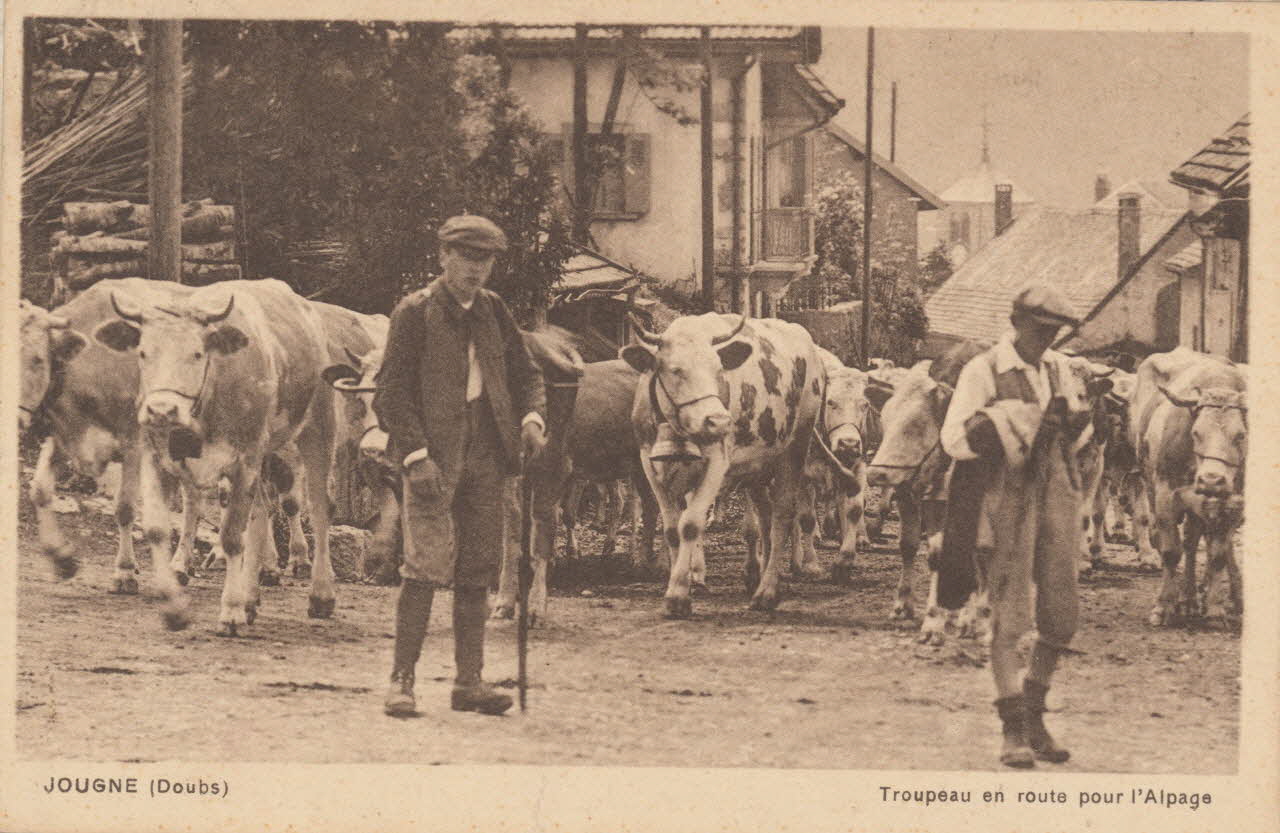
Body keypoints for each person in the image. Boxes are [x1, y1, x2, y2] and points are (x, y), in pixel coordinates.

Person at [373, 214, 546, 717]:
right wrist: (415, 455)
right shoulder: (415, 312)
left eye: (485, 259)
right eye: (467, 258)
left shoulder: (494, 310)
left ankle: (469, 683)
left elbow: (527, 373)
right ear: (444, 257)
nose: (476, 269)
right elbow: (391, 393)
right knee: (424, 566)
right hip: (433, 456)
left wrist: (533, 417)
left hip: (488, 454)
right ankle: (401, 682)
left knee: (478, 567)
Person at [938, 282, 1088, 768]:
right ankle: (1014, 729)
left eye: (1056, 332)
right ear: (1018, 322)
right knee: (1009, 611)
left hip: (1056, 491)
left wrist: (1078, 424)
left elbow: (1078, 432)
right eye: (1042, 329)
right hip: (1005, 494)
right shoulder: (984, 370)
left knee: (1062, 613)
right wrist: (1013, 424)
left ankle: (1037, 712)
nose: (1048, 340)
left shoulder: (1060, 369)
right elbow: (954, 438)